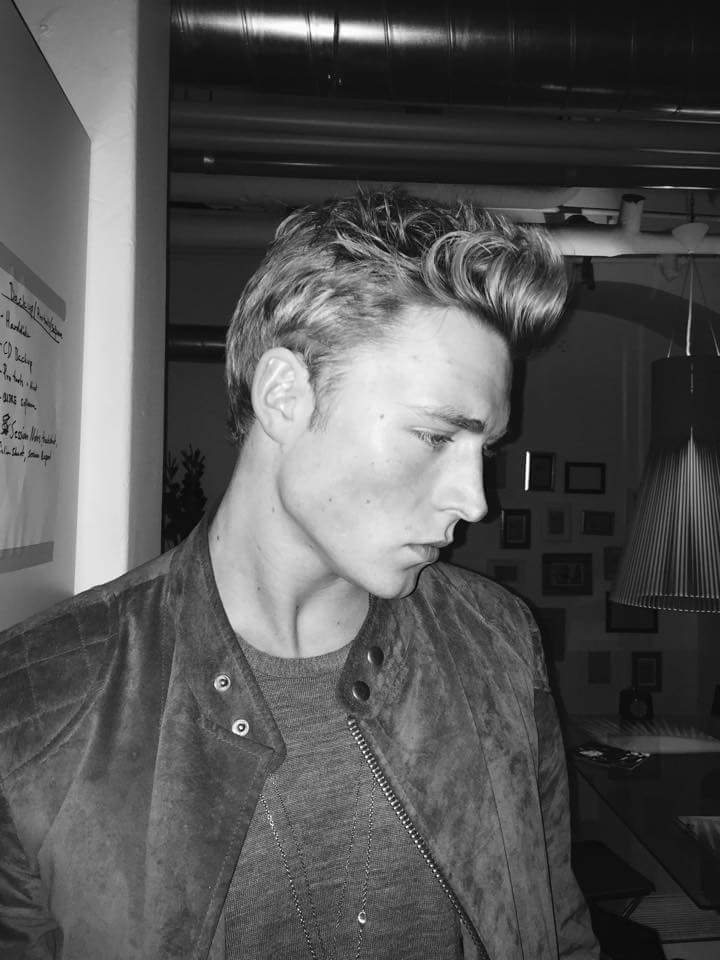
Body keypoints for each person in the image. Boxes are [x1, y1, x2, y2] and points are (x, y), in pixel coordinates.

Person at [0, 191, 599, 960]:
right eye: (433, 435)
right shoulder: (36, 707)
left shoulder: (498, 641)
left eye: (483, 450)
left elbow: (558, 930)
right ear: (285, 395)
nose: (474, 501)